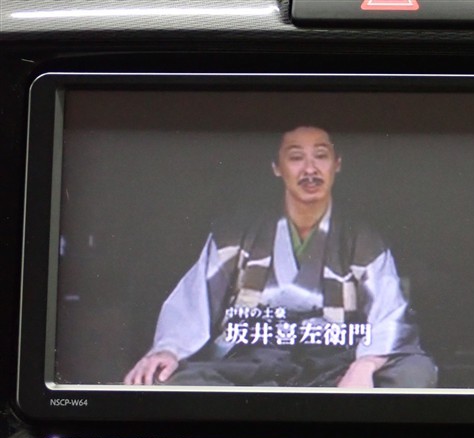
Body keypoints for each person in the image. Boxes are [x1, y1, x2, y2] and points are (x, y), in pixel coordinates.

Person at [124, 126, 436, 388]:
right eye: (296, 157)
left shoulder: (362, 239)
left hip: (334, 366)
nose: (310, 169)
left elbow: (389, 314)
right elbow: (193, 302)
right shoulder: (237, 232)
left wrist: (365, 364)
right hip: (249, 365)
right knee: (165, 378)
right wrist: (168, 350)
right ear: (277, 167)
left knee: (414, 373)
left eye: (321, 156)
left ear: (337, 164)